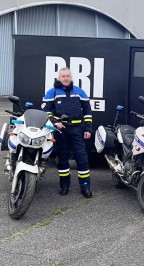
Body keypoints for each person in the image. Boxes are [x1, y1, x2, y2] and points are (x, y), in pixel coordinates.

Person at [42, 67, 93, 197]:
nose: (65, 78)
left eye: (68, 76)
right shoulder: (52, 92)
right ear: (59, 78)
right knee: (63, 160)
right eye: (63, 76)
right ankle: (64, 186)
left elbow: (87, 111)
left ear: (71, 78)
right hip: (61, 131)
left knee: (82, 159)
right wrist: (54, 122)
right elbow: (46, 111)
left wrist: (88, 128)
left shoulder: (79, 92)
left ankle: (85, 187)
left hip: (77, 130)